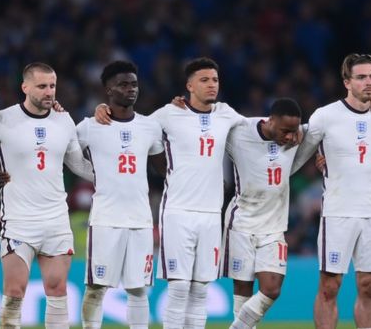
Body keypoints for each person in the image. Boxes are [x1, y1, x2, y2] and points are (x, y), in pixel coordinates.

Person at [97, 57, 247, 329]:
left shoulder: (227, 114)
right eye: (204, 80)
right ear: (189, 85)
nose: (212, 85)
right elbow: (131, 123)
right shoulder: (167, 114)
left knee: (201, 290)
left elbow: (258, 131)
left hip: (213, 213)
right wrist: (102, 109)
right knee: (178, 288)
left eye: (215, 80)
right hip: (178, 212)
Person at [0, 62, 93, 329]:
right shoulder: (3, 120)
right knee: (14, 293)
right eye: (42, 86)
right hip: (19, 221)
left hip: (56, 221)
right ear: (25, 87)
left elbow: (78, 165)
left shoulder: (64, 120)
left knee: (58, 290)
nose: (49, 92)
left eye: (52, 86)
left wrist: (114, 179)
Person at [299, 53, 371, 329]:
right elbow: (301, 154)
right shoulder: (326, 116)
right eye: (361, 77)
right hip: (338, 212)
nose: (369, 83)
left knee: (369, 286)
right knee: (330, 287)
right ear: (347, 82)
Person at [75, 61, 164, 329]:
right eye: (123, 84)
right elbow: (62, 151)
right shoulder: (89, 127)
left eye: (134, 84)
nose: (130, 89)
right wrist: (92, 174)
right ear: (108, 90)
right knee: (96, 288)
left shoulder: (150, 127)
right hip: (105, 219)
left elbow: (162, 168)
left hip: (140, 219)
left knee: (138, 289)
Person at [224, 98, 310, 329]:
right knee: (242, 290)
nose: (291, 137)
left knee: (271, 289)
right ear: (270, 121)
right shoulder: (239, 132)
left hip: (274, 227)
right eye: (286, 131)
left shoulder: (298, 135)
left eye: (295, 131)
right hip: (241, 221)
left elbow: (327, 126)